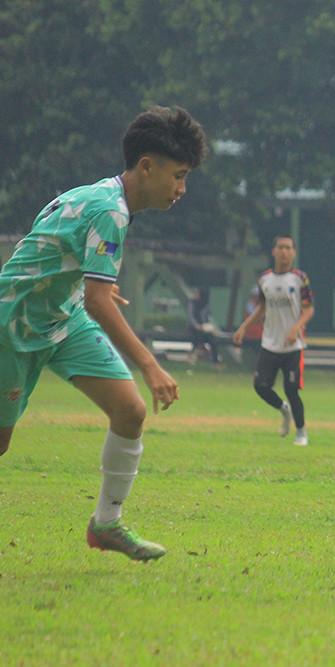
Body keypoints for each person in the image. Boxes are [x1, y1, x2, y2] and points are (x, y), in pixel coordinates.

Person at [0, 106, 208, 560]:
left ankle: (107, 525)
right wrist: (151, 365)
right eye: (178, 175)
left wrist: (80, 283)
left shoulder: (105, 199)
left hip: (62, 315)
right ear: (147, 166)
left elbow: (56, 246)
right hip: (13, 323)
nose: (181, 189)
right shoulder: (110, 209)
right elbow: (94, 300)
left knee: (130, 411)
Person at [233, 236, 314, 446]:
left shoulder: (300, 278)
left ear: (294, 253)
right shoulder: (264, 280)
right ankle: (283, 409)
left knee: (291, 389)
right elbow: (263, 307)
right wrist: (243, 327)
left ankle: (301, 432)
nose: (284, 251)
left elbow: (308, 309)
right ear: (274, 251)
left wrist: (296, 328)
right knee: (260, 386)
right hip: (270, 343)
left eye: (288, 248)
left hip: (293, 346)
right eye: (280, 247)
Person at [186, 286, 221, 366]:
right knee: (197, 335)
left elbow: (206, 317)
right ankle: (199, 350)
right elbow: (191, 316)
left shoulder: (205, 305)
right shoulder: (192, 303)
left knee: (213, 340)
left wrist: (208, 327)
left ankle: (215, 362)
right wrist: (196, 325)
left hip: (203, 328)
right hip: (194, 328)